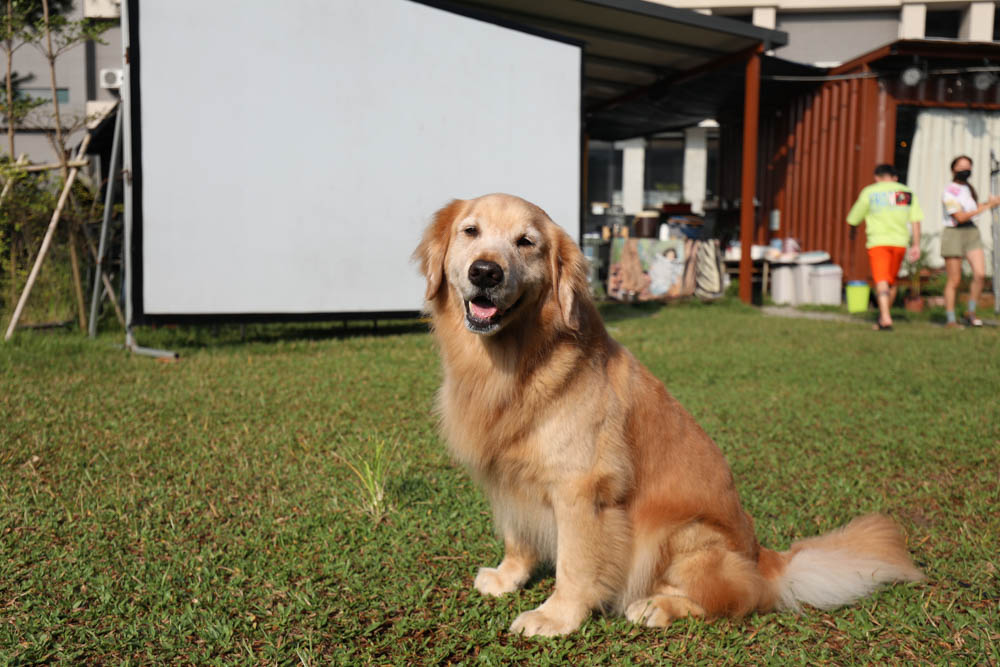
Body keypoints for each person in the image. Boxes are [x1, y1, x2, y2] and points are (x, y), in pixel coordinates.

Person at [846, 164, 923, 330]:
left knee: (881, 280)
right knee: (891, 282)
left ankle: (886, 317)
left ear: (876, 177)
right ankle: (883, 317)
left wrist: (852, 232)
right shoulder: (904, 193)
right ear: (895, 177)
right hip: (900, 242)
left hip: (878, 242)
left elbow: (853, 218)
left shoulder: (870, 192)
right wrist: (916, 244)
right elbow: (915, 220)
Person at [940, 155, 1000, 328]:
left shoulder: (968, 189)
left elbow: (972, 210)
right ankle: (951, 319)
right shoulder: (949, 191)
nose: (965, 170)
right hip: (954, 233)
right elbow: (959, 216)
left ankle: (970, 312)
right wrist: (986, 206)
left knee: (980, 274)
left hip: (971, 232)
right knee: (955, 280)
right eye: (961, 167)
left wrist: (988, 203)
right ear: (953, 169)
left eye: (968, 167)